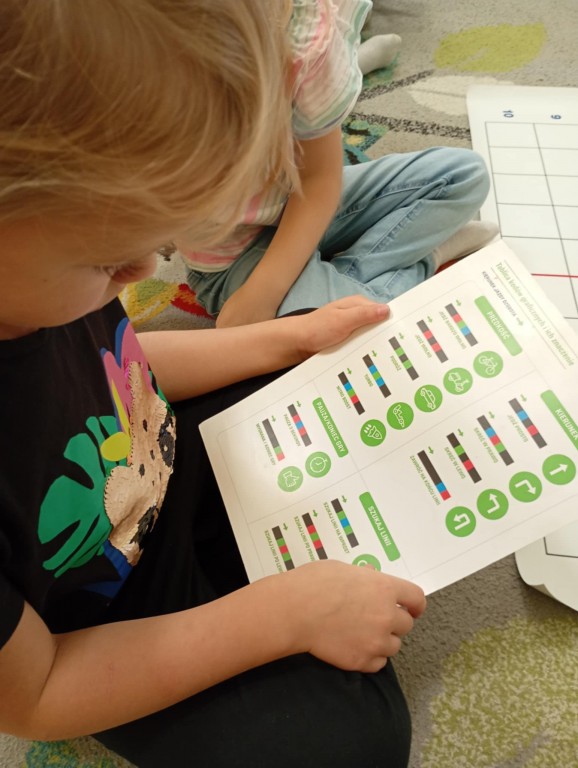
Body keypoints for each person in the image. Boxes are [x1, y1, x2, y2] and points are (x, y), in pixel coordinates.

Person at [0, 2, 426, 766]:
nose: (145, 272)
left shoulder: (34, 277)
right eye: (108, 260)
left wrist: (285, 339)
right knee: (350, 748)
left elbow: (121, 369)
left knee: (343, 384)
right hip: (100, 622)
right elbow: (37, 693)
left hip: (159, 468)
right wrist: (283, 616)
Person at [180, 0, 497, 329]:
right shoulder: (172, 62)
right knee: (346, 330)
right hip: (232, 257)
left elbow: (319, 180)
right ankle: (427, 256)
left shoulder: (306, 41)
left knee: (466, 175)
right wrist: (262, 294)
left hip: (296, 202)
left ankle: (344, 73)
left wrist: (266, 290)